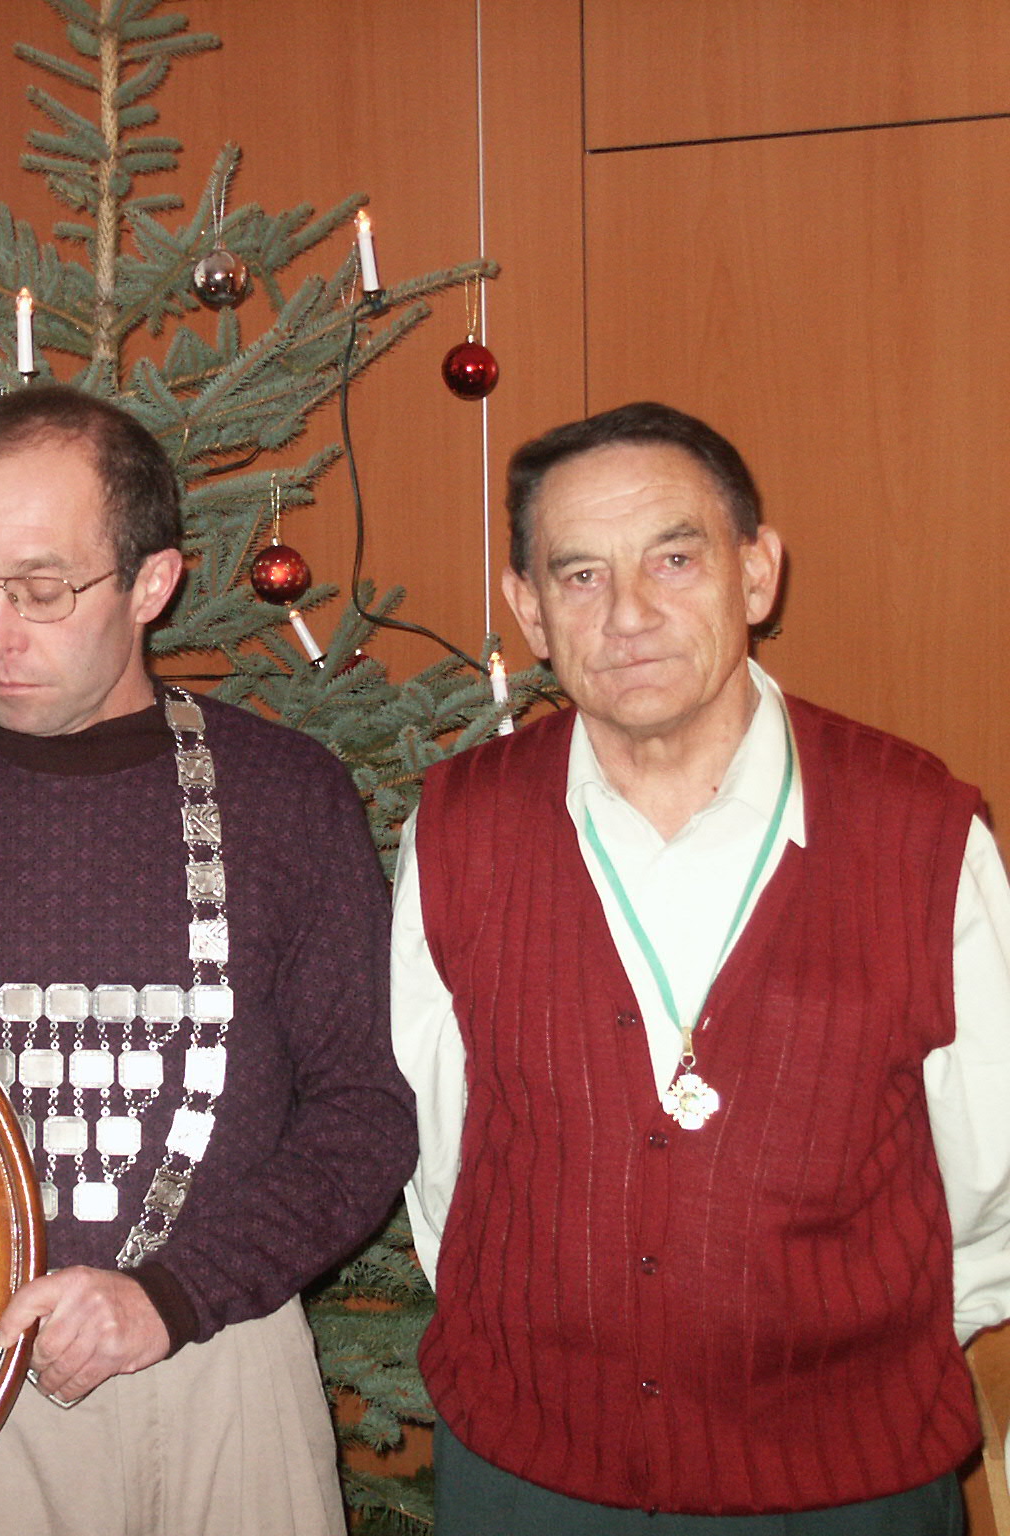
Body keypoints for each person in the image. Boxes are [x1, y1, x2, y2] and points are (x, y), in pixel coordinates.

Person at [0, 384, 415, 1536]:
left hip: (219, 1361)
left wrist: (170, 1297)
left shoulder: (287, 798)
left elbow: (363, 1111)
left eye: (40, 589)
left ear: (150, 583)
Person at [392, 400, 1010, 1532]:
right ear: (529, 611)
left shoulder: (920, 832)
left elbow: (990, 1176)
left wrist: (854, 1366)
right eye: (580, 575)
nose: (628, 614)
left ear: (755, 574)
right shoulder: (457, 830)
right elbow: (444, 1161)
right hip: (531, 1473)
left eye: (672, 560)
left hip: (846, 1482)